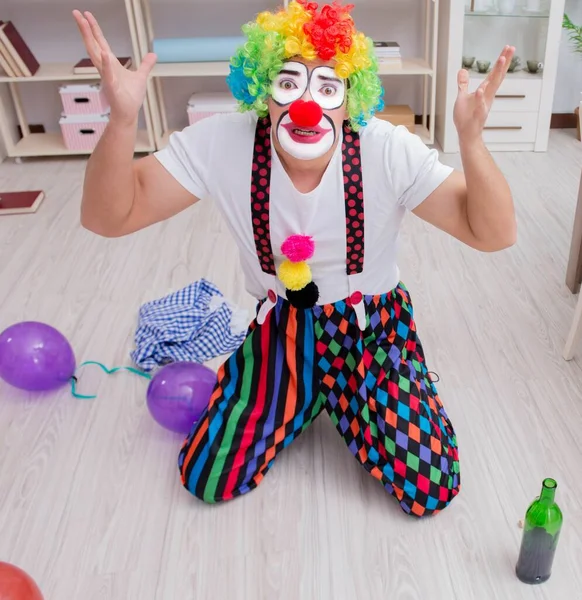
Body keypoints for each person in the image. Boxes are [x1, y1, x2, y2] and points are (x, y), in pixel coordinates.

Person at [73, 0, 516, 517]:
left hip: (370, 331)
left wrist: (472, 142)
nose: (307, 106)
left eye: (327, 88)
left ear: (350, 98)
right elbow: (109, 217)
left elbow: (494, 233)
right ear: (264, 90)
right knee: (205, 476)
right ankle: (302, 399)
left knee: (433, 486)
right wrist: (121, 121)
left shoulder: (387, 149)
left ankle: (349, 398)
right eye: (288, 84)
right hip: (279, 329)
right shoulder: (223, 141)